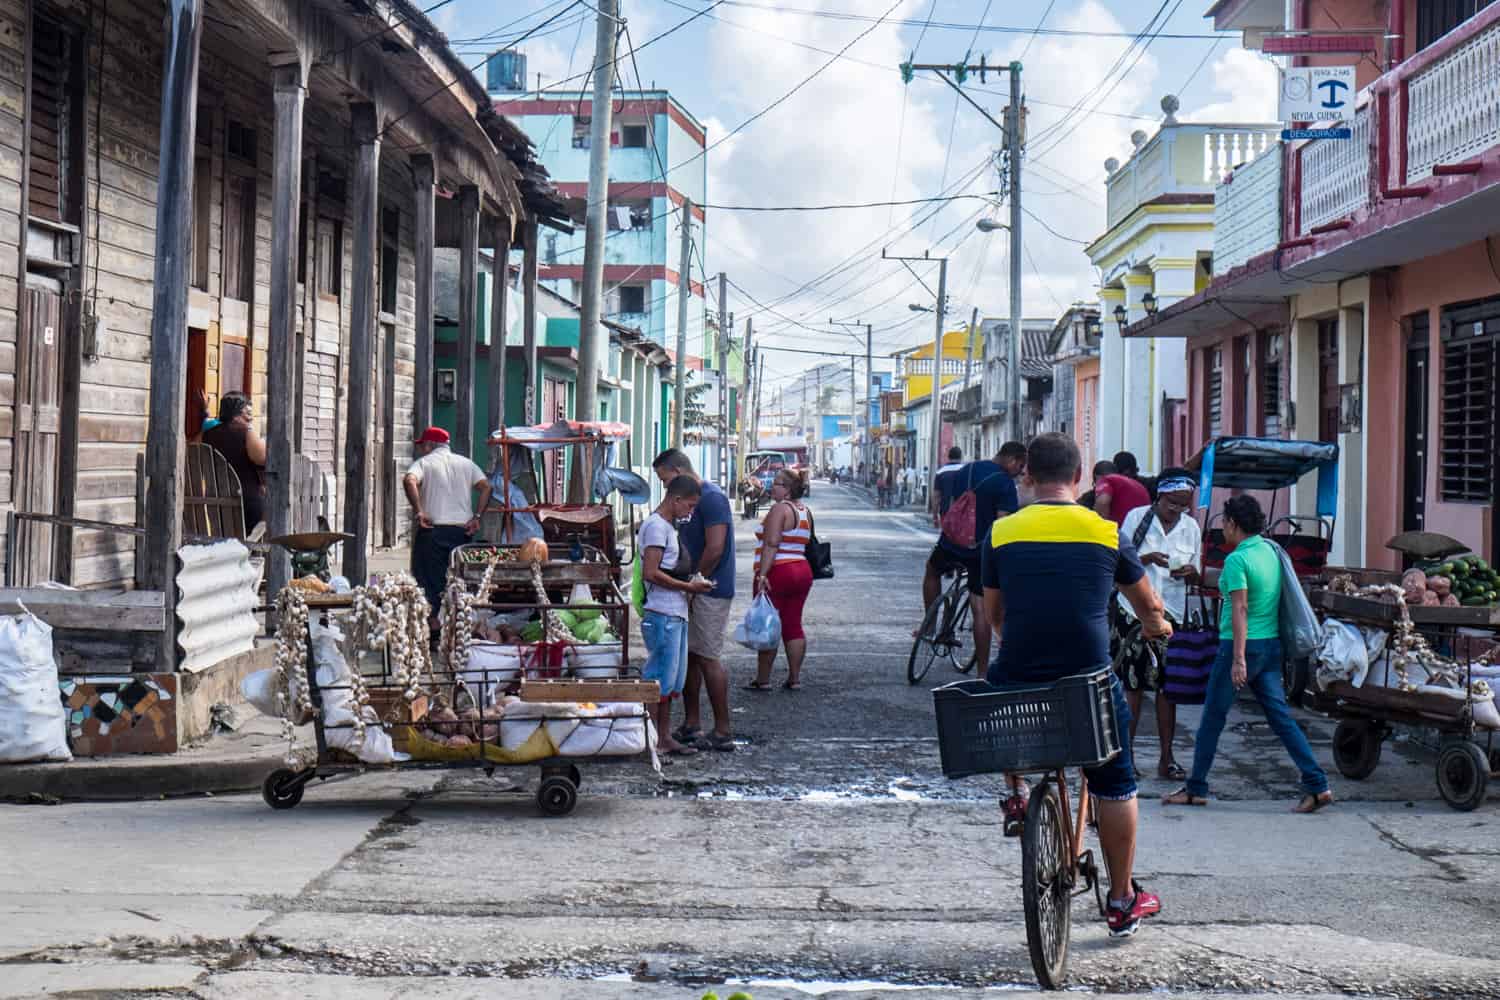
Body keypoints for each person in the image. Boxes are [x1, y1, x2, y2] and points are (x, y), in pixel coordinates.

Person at [981, 432, 1171, 938]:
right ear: (1081, 475)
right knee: (1116, 783)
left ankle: (1018, 791)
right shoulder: (1106, 533)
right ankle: (1121, 898)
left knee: (1000, 684)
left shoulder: (1000, 533)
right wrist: (1158, 629)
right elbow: (1147, 605)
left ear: (1027, 476)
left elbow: (993, 614)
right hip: (1088, 678)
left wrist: (1018, 641)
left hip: (1020, 674)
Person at [1165, 496, 1333, 812]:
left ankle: (1195, 787)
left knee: (1212, 717)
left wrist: (1239, 659)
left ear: (1233, 524)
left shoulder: (1237, 560)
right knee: (1281, 719)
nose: (1222, 529)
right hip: (1270, 645)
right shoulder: (1270, 551)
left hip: (1239, 647)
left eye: (1224, 523)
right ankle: (1317, 784)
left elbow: (1240, 607)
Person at [1114, 469, 1201, 780]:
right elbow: (1119, 561)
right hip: (1133, 612)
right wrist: (1146, 558)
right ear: (1160, 497)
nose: (1177, 510)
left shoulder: (1191, 527)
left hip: (1171, 614)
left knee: (1169, 689)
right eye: (1172, 503)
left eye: (1183, 504)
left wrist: (1190, 572)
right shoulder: (1137, 518)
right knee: (1132, 688)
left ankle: (1167, 759)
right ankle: (1127, 757)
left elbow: (1197, 572)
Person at [651, 449, 736, 753]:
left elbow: (715, 547)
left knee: (708, 656)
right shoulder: (687, 504)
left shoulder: (711, 498)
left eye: (665, 479)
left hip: (709, 588)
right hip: (691, 586)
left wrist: (693, 582)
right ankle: (692, 723)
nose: (665, 487)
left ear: (678, 471)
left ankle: (723, 730)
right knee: (692, 656)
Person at [638, 475, 714, 756]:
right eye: (690, 506)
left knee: (670, 682)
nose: (690, 512)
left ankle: (663, 736)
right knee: (658, 679)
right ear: (676, 499)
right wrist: (688, 587)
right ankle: (651, 738)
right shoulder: (657, 528)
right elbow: (651, 572)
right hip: (662, 612)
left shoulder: (667, 526)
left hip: (675, 611)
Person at [402, 427, 491, 617]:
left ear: (429, 445)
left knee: (429, 581)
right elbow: (486, 487)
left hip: (433, 531)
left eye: (423, 445)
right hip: (462, 533)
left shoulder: (424, 463)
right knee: (460, 580)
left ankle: (435, 627)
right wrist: (477, 517)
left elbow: (409, 480)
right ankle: (460, 622)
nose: (421, 450)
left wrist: (419, 511)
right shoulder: (466, 463)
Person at [747, 470, 814, 691]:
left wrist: (763, 574)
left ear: (787, 489)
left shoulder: (779, 509)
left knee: (767, 623)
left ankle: (763, 679)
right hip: (802, 570)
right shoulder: (805, 512)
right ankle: (794, 678)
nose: (772, 487)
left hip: (778, 571)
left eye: (777, 484)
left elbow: (772, 543)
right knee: (793, 623)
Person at [967, 441, 1026, 669]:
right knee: (980, 608)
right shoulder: (1005, 484)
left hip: (953, 541)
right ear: (1011, 460)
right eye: (1020, 466)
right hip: (980, 550)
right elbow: (1002, 525)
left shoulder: (969, 468)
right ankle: (982, 672)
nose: (1020, 472)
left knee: (932, 571)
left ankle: (932, 626)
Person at [915, 446, 984, 637]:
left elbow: (936, 496)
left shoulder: (942, 471)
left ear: (948, 456)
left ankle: (929, 626)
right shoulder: (968, 471)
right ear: (961, 456)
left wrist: (935, 514)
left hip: (950, 519)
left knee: (935, 566)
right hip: (971, 525)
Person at [201, 391, 268, 531]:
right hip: (245, 504)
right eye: (247, 413)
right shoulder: (245, 432)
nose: (250, 418)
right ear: (237, 413)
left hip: (216, 504)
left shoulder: (206, 435)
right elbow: (263, 458)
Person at [1094, 451, 1151, 527]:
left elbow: (1102, 502)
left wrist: (1102, 530)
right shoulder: (1141, 486)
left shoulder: (1106, 479)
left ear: (1097, 477)